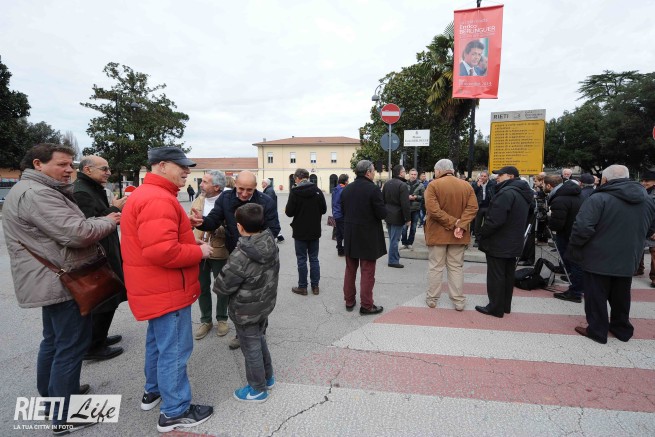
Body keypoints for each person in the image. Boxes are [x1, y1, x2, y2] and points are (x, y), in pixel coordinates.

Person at [3, 144, 120, 434]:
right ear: (38, 164)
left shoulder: (30, 189)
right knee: (70, 346)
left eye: (71, 164)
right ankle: (64, 414)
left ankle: (53, 398)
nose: (69, 170)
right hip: (63, 280)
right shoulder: (38, 194)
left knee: (54, 341)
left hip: (51, 278)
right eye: (62, 164)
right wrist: (108, 220)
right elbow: (78, 233)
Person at [120, 146, 214, 433]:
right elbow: (162, 251)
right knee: (174, 350)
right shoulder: (158, 199)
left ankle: (154, 391)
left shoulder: (152, 195)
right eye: (181, 166)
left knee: (158, 344)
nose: (186, 171)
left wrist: (186, 228)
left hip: (155, 288)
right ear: (161, 166)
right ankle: (175, 410)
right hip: (166, 289)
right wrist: (199, 251)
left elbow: (157, 238)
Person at [191, 170, 281, 350]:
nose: (244, 193)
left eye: (249, 190)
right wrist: (202, 222)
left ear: (255, 188)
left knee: (259, 298)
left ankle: (260, 332)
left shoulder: (266, 201)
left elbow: (274, 229)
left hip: (260, 259)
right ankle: (242, 333)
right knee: (239, 299)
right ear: (235, 185)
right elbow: (214, 220)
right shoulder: (226, 198)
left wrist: (254, 245)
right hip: (236, 255)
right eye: (241, 189)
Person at [569, 165, 655, 344]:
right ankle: (621, 329)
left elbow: (582, 228)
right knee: (621, 296)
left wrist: (576, 247)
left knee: (596, 296)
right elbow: (650, 228)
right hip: (629, 256)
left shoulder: (598, 198)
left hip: (597, 256)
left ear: (605, 179)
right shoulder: (646, 199)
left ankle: (597, 330)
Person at [213, 203, 279, 403]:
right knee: (260, 340)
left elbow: (222, 286)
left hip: (245, 311)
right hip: (264, 305)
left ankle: (257, 389)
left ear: (239, 227)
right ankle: (268, 377)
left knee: (251, 349)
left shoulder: (240, 255)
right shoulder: (270, 242)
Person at [73, 155, 127, 361]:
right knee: (105, 299)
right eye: (104, 169)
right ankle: (94, 345)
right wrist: (115, 209)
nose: (108, 172)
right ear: (87, 170)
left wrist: (112, 211)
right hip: (98, 255)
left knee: (109, 297)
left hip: (106, 250)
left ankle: (99, 338)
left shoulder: (92, 188)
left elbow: (101, 217)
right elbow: (89, 226)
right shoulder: (82, 192)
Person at [475, 166, 534, 318]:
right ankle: (504, 305)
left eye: (501, 175)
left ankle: (495, 307)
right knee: (507, 275)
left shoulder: (506, 193)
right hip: (513, 240)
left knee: (496, 276)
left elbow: (495, 220)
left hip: (499, 241)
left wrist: (482, 233)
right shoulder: (522, 192)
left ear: (510, 176)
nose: (497, 177)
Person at [424, 159, 478, 311]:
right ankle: (458, 301)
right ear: (452, 170)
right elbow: (473, 208)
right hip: (459, 235)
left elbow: (433, 210)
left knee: (436, 267)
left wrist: (454, 223)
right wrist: (460, 225)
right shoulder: (466, 185)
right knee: (456, 267)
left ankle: (432, 299)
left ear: (438, 171)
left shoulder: (433, 185)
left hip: (437, 234)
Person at [341, 160, 387, 314]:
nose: (374, 173)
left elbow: (343, 210)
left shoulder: (347, 189)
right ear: (368, 172)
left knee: (350, 269)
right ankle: (366, 305)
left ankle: (349, 301)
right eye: (373, 171)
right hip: (368, 235)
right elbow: (382, 214)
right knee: (367, 272)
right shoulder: (373, 189)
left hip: (351, 234)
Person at [191, 170, 231, 340]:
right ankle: (206, 320)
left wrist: (212, 227)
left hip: (219, 251)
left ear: (216, 187)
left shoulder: (228, 201)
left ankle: (222, 319)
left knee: (222, 287)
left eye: (205, 182)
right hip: (199, 250)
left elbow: (232, 228)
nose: (201, 184)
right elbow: (192, 223)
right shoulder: (198, 199)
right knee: (202, 287)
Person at [285, 168, 327, 296]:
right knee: (314, 259)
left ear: (298, 178)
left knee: (301, 259)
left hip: (300, 231)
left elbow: (289, 212)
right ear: (307, 177)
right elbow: (324, 210)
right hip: (314, 230)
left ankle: (302, 287)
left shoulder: (295, 192)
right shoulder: (317, 191)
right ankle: (315, 286)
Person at [543, 175, 584, 302]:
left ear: (549, 185)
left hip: (566, 234)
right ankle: (579, 286)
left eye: (544, 184)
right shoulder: (577, 194)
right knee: (577, 262)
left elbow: (558, 223)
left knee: (572, 262)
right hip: (577, 232)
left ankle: (575, 291)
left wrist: (549, 222)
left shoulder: (560, 199)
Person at [382, 164, 410, 268]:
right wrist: (408, 218)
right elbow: (405, 204)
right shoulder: (402, 185)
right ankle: (393, 260)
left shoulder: (387, 184)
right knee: (395, 239)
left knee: (392, 238)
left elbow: (382, 200)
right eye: (404, 171)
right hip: (397, 216)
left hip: (388, 215)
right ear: (400, 173)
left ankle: (394, 257)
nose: (405, 173)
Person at [635, 169, 655, 286]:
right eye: (642, 180)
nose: (644, 183)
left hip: (653, 228)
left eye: (647, 180)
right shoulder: (640, 192)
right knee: (638, 249)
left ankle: (654, 277)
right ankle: (638, 269)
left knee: (654, 252)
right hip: (641, 226)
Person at [401, 168, 424, 250]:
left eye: (415, 174)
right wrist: (407, 197)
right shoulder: (404, 184)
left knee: (413, 228)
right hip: (406, 209)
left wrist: (416, 197)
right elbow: (400, 195)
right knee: (404, 227)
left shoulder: (421, 185)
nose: (413, 176)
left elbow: (423, 197)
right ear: (409, 175)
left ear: (417, 175)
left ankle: (410, 243)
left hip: (415, 209)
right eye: (412, 174)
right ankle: (404, 243)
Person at [471, 170, 495, 247]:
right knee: (477, 224)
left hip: (488, 206)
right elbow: (472, 193)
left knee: (487, 224)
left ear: (488, 177)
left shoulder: (492, 184)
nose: (483, 178)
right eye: (482, 176)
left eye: (485, 176)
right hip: (479, 207)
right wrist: (477, 186)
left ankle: (486, 240)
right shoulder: (475, 184)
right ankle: (477, 240)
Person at [262, 178, 284, 243]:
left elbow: (268, 201)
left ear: (265, 183)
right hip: (271, 210)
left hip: (270, 211)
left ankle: (279, 238)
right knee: (273, 224)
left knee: (272, 224)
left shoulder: (269, 191)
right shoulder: (269, 189)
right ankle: (280, 237)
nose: (261, 184)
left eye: (262, 183)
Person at [332, 174, 349, 256]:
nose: (348, 182)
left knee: (339, 233)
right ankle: (346, 250)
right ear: (345, 181)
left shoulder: (335, 189)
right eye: (347, 180)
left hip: (336, 214)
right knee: (345, 233)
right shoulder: (344, 190)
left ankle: (340, 250)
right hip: (342, 215)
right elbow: (344, 204)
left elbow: (333, 203)